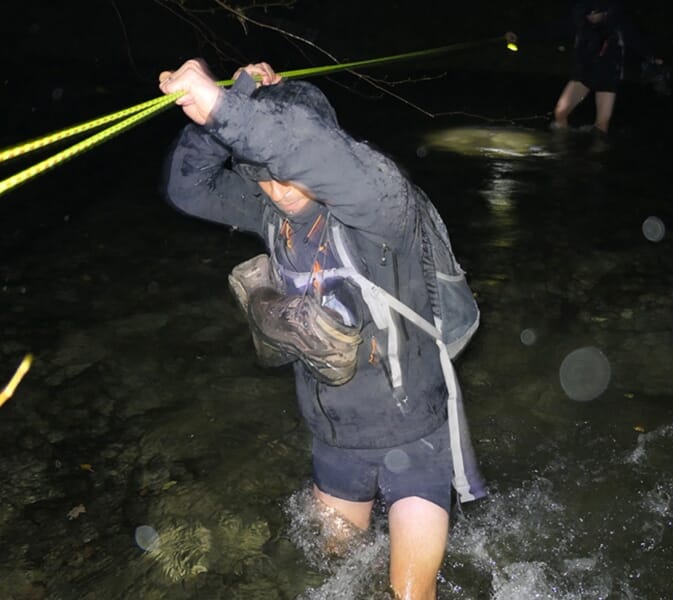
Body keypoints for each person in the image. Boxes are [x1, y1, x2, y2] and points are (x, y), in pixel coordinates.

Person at [158, 59, 485, 599]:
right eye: (258, 170)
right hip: (334, 437)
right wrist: (228, 102)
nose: (276, 186)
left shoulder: (382, 204)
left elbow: (317, 155)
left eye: (282, 168)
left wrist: (228, 110)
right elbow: (186, 189)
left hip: (415, 433)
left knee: (408, 594)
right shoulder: (269, 207)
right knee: (335, 575)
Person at [552, 1, 663, 134]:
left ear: (605, 12)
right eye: (588, 13)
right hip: (583, 72)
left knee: (601, 125)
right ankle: (562, 143)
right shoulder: (580, 19)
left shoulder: (618, 22)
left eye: (595, 13)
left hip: (608, 74)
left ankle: (596, 151)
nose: (591, 16)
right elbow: (555, 29)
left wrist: (652, 56)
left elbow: (635, 39)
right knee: (560, 112)